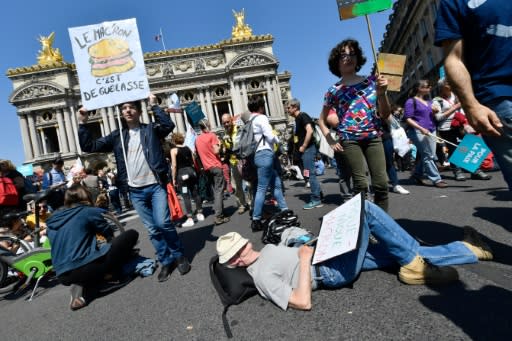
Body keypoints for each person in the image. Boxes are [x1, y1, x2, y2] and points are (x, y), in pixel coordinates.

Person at [216, 200, 493, 311]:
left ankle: (470, 250)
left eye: (242, 243)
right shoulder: (261, 275)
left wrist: (304, 245)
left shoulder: (263, 254)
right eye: (239, 250)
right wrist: (302, 261)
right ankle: (414, 267)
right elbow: (302, 301)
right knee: (365, 209)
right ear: (233, 262)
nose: (246, 246)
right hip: (330, 270)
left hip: (325, 255)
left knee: (397, 249)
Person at [78, 94, 191, 283]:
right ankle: (166, 260)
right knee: (152, 229)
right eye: (124, 108)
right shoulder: (117, 137)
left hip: (155, 185)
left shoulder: (151, 130)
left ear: (139, 111)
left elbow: (168, 126)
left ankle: (178, 255)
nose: (128, 110)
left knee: (163, 223)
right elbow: (89, 146)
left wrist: (154, 106)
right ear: (121, 113)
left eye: (131, 107)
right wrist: (82, 124)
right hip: (135, 190)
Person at [435, 0, 512, 190]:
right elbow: (453, 58)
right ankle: (460, 170)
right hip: (499, 98)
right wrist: (470, 105)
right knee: (456, 149)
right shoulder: (455, 3)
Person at [318, 39, 391, 211]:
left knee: (381, 184)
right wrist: (330, 141)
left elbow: (385, 114)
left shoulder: (373, 82)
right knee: (360, 184)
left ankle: (384, 223)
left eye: (352, 54)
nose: (348, 58)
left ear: (358, 59)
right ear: (336, 61)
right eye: (343, 55)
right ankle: (364, 223)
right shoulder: (333, 90)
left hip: (373, 137)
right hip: (349, 140)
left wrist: (382, 94)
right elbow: (321, 120)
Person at [46, 184, 139, 310]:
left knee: (87, 261)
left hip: (62, 274)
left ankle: (82, 283)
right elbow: (108, 233)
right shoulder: (85, 210)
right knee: (131, 235)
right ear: (86, 195)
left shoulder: (52, 221)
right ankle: (106, 279)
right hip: (84, 266)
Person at [432, 78, 492, 181]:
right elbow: (438, 117)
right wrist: (455, 107)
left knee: (470, 147)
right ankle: (457, 172)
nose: (451, 84)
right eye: (448, 83)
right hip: (446, 128)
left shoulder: (456, 96)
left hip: (461, 126)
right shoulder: (437, 101)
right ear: (443, 87)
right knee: (453, 149)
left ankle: (476, 171)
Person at [248, 96, 288, 232]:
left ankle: (285, 210)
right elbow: (270, 136)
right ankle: (256, 219)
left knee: (276, 183)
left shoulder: (249, 121)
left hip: (257, 156)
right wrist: (277, 139)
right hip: (265, 154)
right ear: (261, 107)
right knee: (262, 188)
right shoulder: (261, 118)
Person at [404, 80, 448, 188]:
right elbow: (408, 119)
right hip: (418, 131)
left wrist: (435, 112)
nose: (430, 88)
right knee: (428, 155)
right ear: (419, 88)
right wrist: (420, 128)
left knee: (428, 155)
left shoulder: (429, 102)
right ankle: (436, 179)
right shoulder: (410, 101)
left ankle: (417, 174)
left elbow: (432, 116)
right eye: (427, 86)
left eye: (430, 86)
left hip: (431, 130)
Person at [287, 99, 324, 209]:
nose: (287, 110)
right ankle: (318, 194)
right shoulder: (297, 119)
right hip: (304, 151)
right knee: (307, 174)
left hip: (308, 150)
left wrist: (303, 146)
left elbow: (310, 131)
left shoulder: (303, 116)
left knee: (310, 174)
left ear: (295, 107)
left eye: (288, 107)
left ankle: (316, 199)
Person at [195, 119, 230, 225]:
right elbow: (216, 151)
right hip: (215, 165)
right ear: (208, 125)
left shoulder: (197, 139)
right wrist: (219, 144)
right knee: (219, 191)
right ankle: (218, 216)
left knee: (216, 191)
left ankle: (221, 213)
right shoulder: (212, 135)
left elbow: (197, 154)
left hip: (207, 168)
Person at [170, 132, 204, 227]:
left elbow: (174, 165)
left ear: (174, 140)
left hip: (182, 175)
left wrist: (173, 178)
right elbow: (193, 160)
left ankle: (190, 217)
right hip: (191, 172)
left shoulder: (174, 150)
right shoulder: (188, 148)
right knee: (195, 192)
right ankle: (200, 212)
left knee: (185, 195)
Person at [221, 113, 249, 214]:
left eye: (227, 122)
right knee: (237, 186)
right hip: (233, 162)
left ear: (231, 121)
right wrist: (224, 150)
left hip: (243, 160)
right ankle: (241, 204)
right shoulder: (224, 134)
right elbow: (226, 148)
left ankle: (251, 202)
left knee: (249, 183)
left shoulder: (240, 129)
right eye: (224, 123)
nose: (226, 124)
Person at [381, 118, 410, 194]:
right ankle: (374, 187)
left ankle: (396, 185)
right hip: (366, 136)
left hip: (384, 136)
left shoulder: (379, 106)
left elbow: (393, 122)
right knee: (373, 164)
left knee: (389, 162)